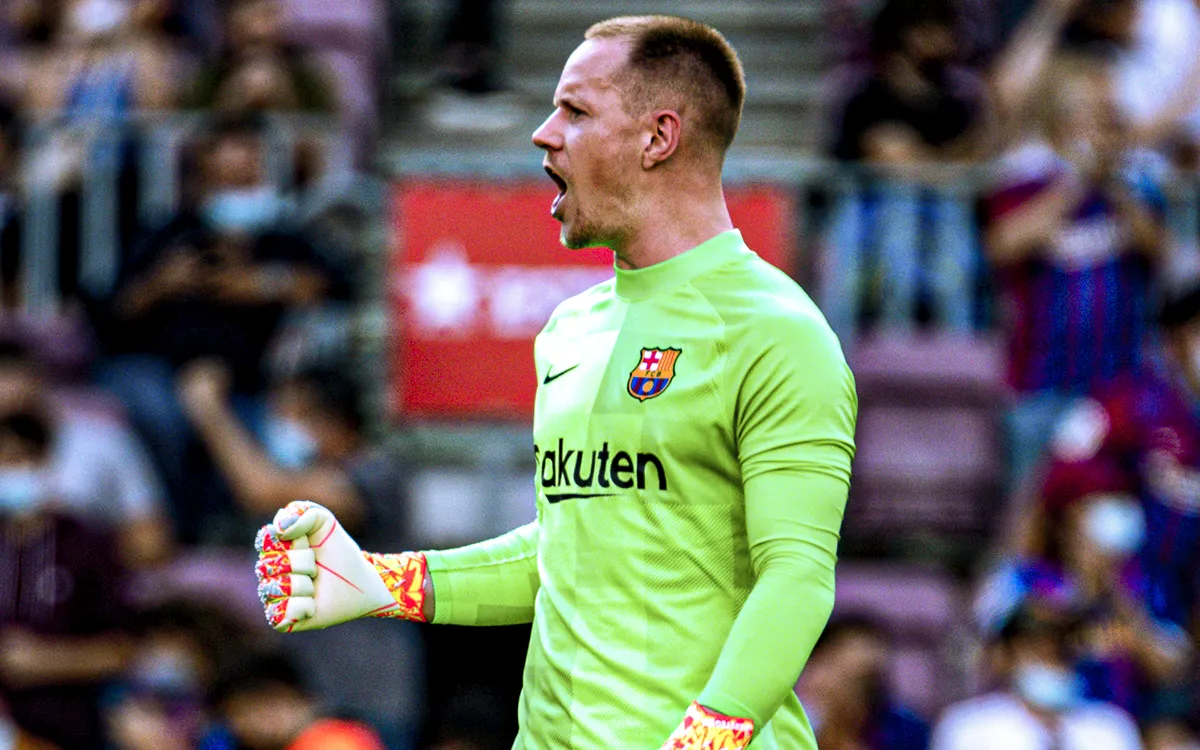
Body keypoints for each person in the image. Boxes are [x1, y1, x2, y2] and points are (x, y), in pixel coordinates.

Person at [254, 14, 857, 750]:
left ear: (658, 137)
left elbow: (797, 577)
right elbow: (562, 554)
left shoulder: (778, 332)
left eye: (575, 111)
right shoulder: (572, 328)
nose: (544, 134)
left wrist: (708, 736)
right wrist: (381, 581)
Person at [0, 408, 133, 749]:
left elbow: (122, 650)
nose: (10, 470)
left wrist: (46, 661)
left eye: (19, 459)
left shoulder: (84, 544)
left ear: (47, 463)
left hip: (65, 728)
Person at [932, 601, 1143, 750]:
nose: (1051, 659)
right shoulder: (968, 727)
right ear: (1005, 655)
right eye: (1037, 649)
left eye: (1062, 649)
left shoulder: (1112, 728)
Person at [796, 615, 930, 750]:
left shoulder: (904, 731)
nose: (847, 693)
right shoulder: (794, 720)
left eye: (861, 683)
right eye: (834, 667)